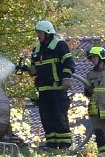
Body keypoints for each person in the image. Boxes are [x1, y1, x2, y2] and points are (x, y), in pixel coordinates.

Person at [17, 20, 75, 150]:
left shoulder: (59, 45)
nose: (38, 35)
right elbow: (35, 70)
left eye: (40, 32)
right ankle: (51, 144)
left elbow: (69, 62)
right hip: (43, 89)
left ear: (48, 33)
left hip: (57, 88)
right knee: (46, 117)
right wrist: (27, 69)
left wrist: (66, 77)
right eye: (37, 32)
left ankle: (65, 144)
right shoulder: (36, 50)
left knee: (59, 116)